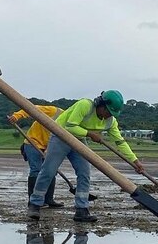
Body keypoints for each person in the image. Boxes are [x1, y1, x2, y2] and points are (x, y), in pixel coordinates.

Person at [28, 90, 144, 223]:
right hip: (60, 135)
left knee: (84, 173)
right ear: (100, 104)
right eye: (107, 112)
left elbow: (120, 142)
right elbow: (70, 126)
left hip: (79, 140)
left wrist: (135, 161)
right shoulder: (85, 105)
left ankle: (81, 209)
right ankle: (35, 204)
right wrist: (90, 134)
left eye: (111, 114)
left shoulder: (110, 122)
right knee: (48, 170)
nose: (108, 116)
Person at [7, 105, 64, 207]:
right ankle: (32, 200)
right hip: (32, 143)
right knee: (36, 170)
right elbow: (30, 108)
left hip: (48, 146)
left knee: (52, 171)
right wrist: (16, 116)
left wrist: (49, 150)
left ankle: (48, 199)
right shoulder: (54, 111)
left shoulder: (71, 124)